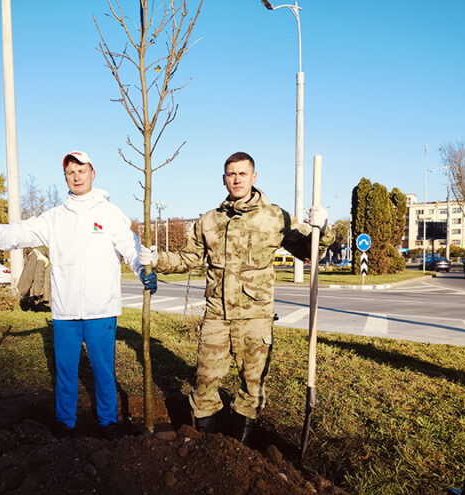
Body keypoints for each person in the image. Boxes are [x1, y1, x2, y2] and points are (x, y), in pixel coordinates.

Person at [0, 150, 157, 439]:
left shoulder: (110, 214)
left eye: (81, 170)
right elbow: (16, 234)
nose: (76, 177)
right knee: (65, 372)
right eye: (70, 173)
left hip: (101, 309)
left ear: (93, 173)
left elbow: (131, 248)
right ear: (66, 178)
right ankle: (65, 423)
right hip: (65, 311)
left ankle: (108, 422)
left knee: (103, 370)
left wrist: (144, 272)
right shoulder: (54, 218)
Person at [140, 151, 333, 443]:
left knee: (252, 386)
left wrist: (323, 229)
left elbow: (309, 251)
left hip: (256, 318)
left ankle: (239, 450)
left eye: (243, 174)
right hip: (217, 316)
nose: (237, 179)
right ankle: (211, 447)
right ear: (224, 179)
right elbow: (188, 258)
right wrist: (157, 258)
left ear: (254, 177)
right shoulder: (208, 221)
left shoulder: (275, 217)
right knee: (204, 384)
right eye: (232, 174)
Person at [17, 248, 51, 312]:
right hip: (36, 289)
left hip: (33, 289)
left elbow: (39, 276)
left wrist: (36, 293)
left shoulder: (38, 255)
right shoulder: (39, 254)